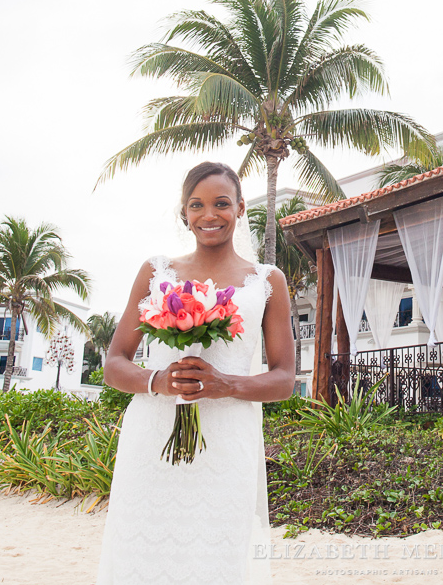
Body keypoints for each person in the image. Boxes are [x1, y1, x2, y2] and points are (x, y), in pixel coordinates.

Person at [96, 162, 296, 584]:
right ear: (184, 213)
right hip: (154, 436)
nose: (210, 215)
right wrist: (157, 381)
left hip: (228, 441)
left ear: (240, 208)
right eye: (197, 205)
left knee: (217, 554)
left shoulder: (267, 281)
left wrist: (227, 385)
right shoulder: (156, 273)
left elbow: (283, 380)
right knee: (145, 552)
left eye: (222, 203)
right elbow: (114, 365)